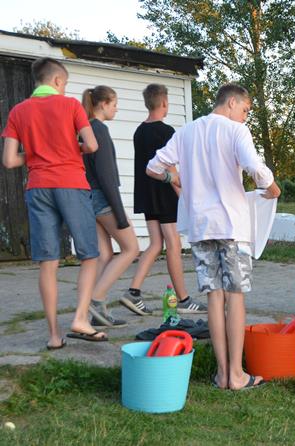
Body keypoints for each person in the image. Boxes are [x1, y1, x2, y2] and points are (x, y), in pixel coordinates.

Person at [146, 83, 280, 390]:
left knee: (214, 297)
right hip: (231, 226)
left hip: (200, 226)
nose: (245, 117)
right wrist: (270, 186)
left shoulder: (187, 132)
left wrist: (173, 177)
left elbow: (153, 167)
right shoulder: (236, 131)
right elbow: (254, 167)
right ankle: (237, 374)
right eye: (245, 110)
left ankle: (222, 374)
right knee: (235, 296)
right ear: (231, 102)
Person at [1, 57, 107, 345]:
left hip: (38, 187)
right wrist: (70, 147)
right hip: (71, 183)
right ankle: (80, 318)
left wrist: (37, 152)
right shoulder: (70, 105)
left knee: (48, 262)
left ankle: (53, 336)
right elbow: (92, 145)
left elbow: (9, 160)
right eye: (65, 83)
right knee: (90, 255)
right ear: (58, 80)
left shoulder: (18, 111)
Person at [120, 83, 206, 316]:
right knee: (174, 244)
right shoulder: (166, 132)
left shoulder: (139, 132)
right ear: (164, 103)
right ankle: (184, 299)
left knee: (156, 244)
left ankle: (133, 292)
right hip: (164, 194)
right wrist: (184, 198)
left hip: (147, 196)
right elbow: (171, 169)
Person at [81, 86, 139, 328]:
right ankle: (96, 299)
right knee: (131, 248)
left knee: (104, 255)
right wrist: (120, 215)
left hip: (88, 198)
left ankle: (95, 313)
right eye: (114, 104)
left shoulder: (85, 129)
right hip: (103, 199)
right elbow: (106, 176)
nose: (116, 109)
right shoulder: (99, 130)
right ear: (103, 104)